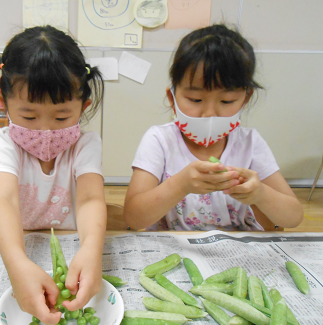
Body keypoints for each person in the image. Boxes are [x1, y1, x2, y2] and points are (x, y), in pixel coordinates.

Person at [124, 24, 303, 232]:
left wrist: (260, 194)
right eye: (195, 99)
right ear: (172, 98)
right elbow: (134, 218)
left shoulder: (250, 143)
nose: (210, 113)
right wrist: (180, 185)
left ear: (245, 100)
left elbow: (293, 217)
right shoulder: (160, 140)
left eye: (227, 101)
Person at [0, 26, 106, 325]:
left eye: (62, 117)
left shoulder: (86, 145)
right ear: (5, 105)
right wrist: (16, 264)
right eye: (28, 116)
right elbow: (4, 199)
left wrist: (91, 248)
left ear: (84, 106)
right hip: (19, 247)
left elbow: (91, 198)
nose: (45, 130)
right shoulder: (2, 143)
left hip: (70, 245)